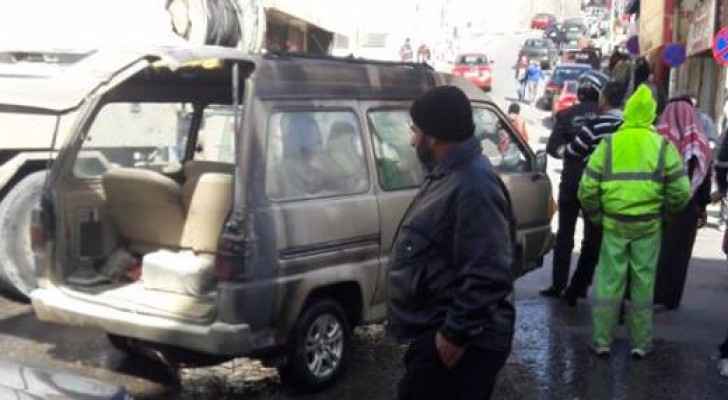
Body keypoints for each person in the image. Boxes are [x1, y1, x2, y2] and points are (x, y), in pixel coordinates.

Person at [388, 86, 516, 400]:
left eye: (415, 131)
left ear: (433, 137)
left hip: (464, 345)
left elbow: (489, 272)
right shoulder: (448, 175)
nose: (412, 140)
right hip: (441, 332)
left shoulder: (474, 185)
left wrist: (453, 336)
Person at [579, 85, 690, 358]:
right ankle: (641, 343)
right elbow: (681, 192)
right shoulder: (663, 146)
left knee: (609, 282)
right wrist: (667, 213)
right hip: (648, 225)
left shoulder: (609, 144)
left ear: (628, 111)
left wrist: (597, 216)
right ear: (652, 114)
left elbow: (587, 189)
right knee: (643, 283)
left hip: (614, 224)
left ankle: (602, 341)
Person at [560, 80, 626, 306]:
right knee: (618, 248)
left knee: (592, 242)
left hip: (598, 193)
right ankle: (618, 302)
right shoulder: (628, 127)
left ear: (604, 100)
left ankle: (576, 290)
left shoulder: (595, 126)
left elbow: (573, 151)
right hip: (623, 195)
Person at [540, 72, 604, 299]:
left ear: (580, 93)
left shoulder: (567, 115)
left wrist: (570, 153)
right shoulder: (606, 118)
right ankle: (580, 286)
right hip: (597, 185)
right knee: (592, 237)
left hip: (571, 183)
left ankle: (558, 285)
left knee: (565, 235)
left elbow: (552, 148)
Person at [653, 98, 713, 310]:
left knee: (656, 251)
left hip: (659, 205)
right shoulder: (701, 145)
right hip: (688, 209)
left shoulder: (657, 141)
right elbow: (705, 179)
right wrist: (702, 208)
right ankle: (671, 299)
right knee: (679, 255)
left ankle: (652, 294)